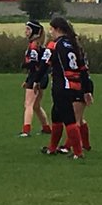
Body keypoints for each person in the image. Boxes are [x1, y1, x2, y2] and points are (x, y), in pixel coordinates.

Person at [39, 16, 86, 160]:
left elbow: (44, 65)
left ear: (58, 29)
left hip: (62, 85)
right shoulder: (74, 44)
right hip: (75, 84)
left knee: (69, 120)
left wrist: (34, 81)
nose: (50, 32)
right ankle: (52, 148)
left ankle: (78, 152)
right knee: (56, 115)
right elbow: (83, 68)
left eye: (52, 29)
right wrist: (87, 89)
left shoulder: (54, 45)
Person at [20, 20, 50, 137]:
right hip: (43, 77)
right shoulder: (39, 45)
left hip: (36, 77)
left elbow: (33, 64)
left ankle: (26, 130)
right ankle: (46, 128)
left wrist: (24, 66)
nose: (26, 32)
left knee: (28, 104)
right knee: (36, 105)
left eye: (28, 29)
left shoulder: (33, 46)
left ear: (35, 32)